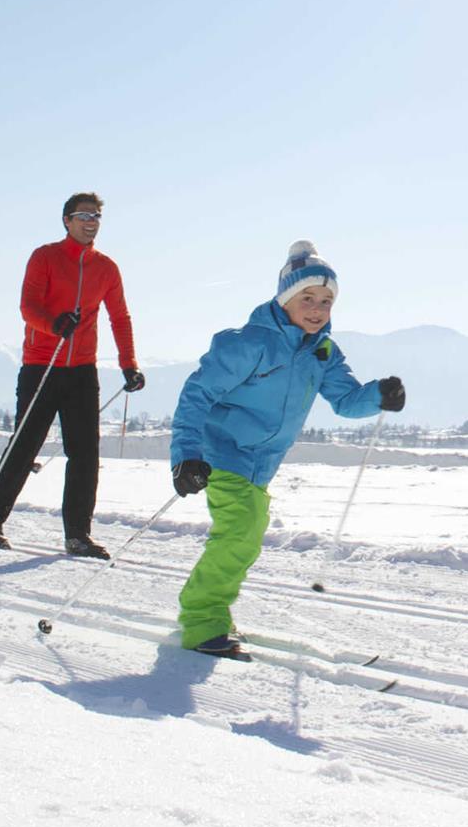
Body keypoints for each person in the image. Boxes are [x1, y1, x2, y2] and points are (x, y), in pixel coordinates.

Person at [169, 240, 406, 660]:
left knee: (246, 535)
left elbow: (346, 401)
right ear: (285, 298)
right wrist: (186, 454)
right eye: (307, 298)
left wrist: (379, 395)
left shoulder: (323, 352)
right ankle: (202, 621)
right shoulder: (249, 343)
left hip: (262, 465)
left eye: (326, 301)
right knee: (240, 532)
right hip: (221, 452)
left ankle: (208, 611)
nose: (317, 309)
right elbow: (197, 394)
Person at [0, 192, 144, 557]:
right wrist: (54, 324)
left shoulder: (106, 268)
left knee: (85, 454)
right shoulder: (45, 257)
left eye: (96, 216)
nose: (90, 222)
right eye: (83, 215)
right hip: (42, 365)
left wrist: (129, 364)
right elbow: (28, 306)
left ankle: (78, 535)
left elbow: (119, 317)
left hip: (82, 370)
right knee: (25, 447)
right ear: (67, 220)